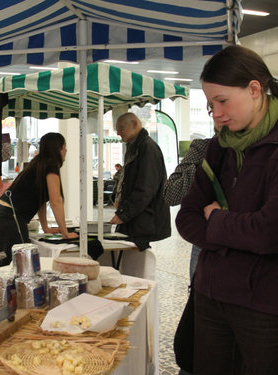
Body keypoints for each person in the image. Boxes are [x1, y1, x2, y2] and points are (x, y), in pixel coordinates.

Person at [176, 45, 278, 375]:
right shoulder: (219, 146)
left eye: (222, 101)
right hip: (209, 296)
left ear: (254, 90)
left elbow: (268, 232)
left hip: (263, 306)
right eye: (210, 105)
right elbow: (187, 217)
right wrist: (238, 233)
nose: (216, 113)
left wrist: (217, 219)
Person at [0, 132, 78, 266]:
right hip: (10, 218)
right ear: (58, 148)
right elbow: (56, 201)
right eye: (64, 147)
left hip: (0, 215)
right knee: (18, 266)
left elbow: (40, 200)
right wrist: (65, 233)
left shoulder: (38, 163)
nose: (66, 151)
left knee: (3, 265)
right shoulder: (51, 164)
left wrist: (45, 227)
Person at [110, 113, 171, 253]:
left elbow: (145, 188)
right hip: (137, 220)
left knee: (136, 264)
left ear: (135, 124)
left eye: (121, 128)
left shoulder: (147, 148)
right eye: (117, 129)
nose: (118, 133)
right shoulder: (135, 147)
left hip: (144, 222)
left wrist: (124, 214)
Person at [164, 138, 210, 281]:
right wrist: (203, 167)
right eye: (212, 113)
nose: (218, 115)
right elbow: (171, 194)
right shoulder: (203, 148)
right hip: (207, 240)